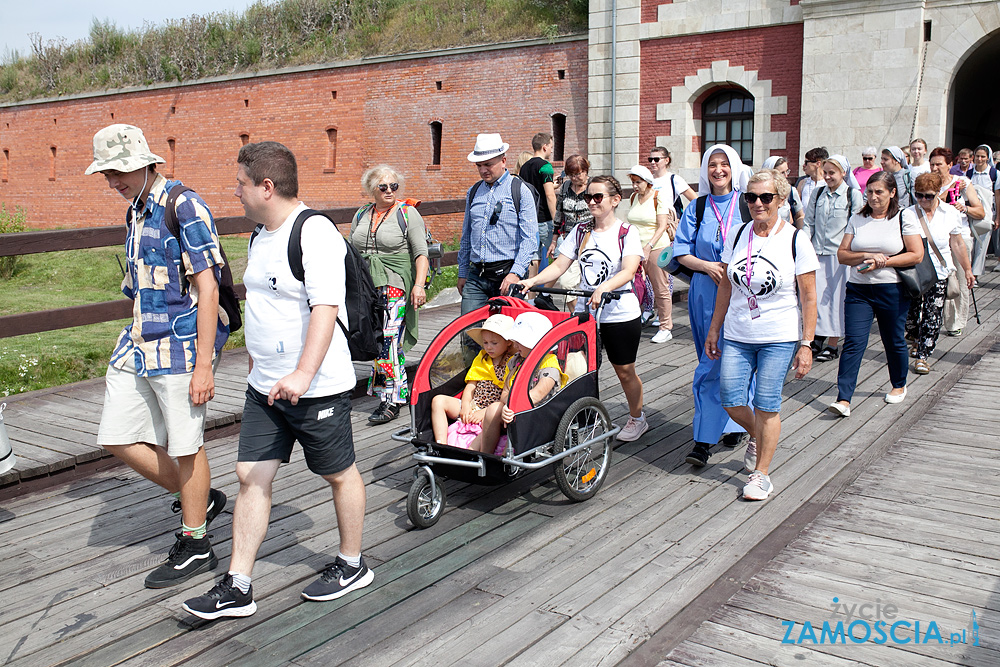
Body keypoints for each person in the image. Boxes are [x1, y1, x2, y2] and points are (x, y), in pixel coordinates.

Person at [182, 141, 373, 620]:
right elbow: (268, 307)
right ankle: (238, 585)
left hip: (316, 386)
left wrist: (303, 374)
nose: (236, 193)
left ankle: (353, 563)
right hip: (265, 385)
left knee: (337, 472)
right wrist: (256, 363)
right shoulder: (259, 236)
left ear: (266, 187)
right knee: (250, 475)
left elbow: (325, 308)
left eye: (241, 184)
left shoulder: (314, 234)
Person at [85, 124, 229, 589]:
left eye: (121, 170)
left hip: (182, 345)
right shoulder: (136, 210)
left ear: (148, 163)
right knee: (115, 434)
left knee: (187, 444)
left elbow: (208, 288)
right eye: (108, 172)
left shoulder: (183, 205)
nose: (114, 180)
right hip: (141, 340)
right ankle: (199, 498)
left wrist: (204, 362)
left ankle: (196, 543)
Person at [705, 168, 818, 501]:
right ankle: (759, 434)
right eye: (751, 197)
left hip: (778, 335)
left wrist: (807, 344)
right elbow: (726, 284)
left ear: (780, 200)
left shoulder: (796, 239)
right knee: (731, 399)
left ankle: (761, 474)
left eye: (765, 197)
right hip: (739, 333)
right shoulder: (739, 234)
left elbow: (809, 295)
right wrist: (715, 327)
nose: (757, 203)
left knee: (767, 404)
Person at [517, 175, 648, 442]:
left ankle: (637, 417)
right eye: (588, 197)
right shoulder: (581, 231)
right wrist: (532, 280)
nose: (591, 202)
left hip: (620, 311)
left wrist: (605, 287)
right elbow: (559, 265)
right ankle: (583, 418)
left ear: (614, 200)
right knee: (579, 368)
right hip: (585, 312)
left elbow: (629, 270)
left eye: (597, 197)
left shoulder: (626, 232)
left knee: (624, 370)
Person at [673, 145, 754, 466]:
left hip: (743, 292)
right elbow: (681, 251)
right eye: (712, 165)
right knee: (710, 361)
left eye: (724, 164)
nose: (718, 170)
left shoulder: (748, 204)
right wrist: (707, 266)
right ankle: (704, 438)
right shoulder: (699, 207)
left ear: (734, 168)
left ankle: (737, 422)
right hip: (706, 292)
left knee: (742, 359)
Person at [828, 171, 924, 417]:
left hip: (891, 289)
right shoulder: (857, 218)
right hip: (859, 290)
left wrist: (885, 261)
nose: (873, 197)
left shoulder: (905, 217)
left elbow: (916, 254)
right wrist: (864, 256)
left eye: (879, 192)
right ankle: (844, 399)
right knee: (854, 342)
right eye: (869, 192)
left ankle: (899, 384)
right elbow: (842, 254)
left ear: (892, 193)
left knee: (893, 339)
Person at [349, 165, 429, 424]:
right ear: (371, 189)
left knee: (389, 341)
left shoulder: (408, 214)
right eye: (383, 187)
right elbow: (351, 250)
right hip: (368, 287)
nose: (389, 191)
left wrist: (418, 286)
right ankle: (396, 392)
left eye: (393, 186)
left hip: (395, 285)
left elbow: (421, 254)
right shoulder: (362, 213)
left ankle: (391, 400)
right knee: (376, 341)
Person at [457, 133, 538, 314]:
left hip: (507, 273)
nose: (483, 170)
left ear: (503, 161)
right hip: (476, 275)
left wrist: (515, 273)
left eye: (488, 164)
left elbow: (530, 239)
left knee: (506, 334)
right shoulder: (474, 191)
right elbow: (467, 235)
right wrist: (463, 272)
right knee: (469, 332)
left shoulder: (519, 190)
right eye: (479, 165)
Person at [905, 171, 974, 375]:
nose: (923, 200)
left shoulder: (950, 213)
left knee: (933, 315)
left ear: (937, 193)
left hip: (939, 271)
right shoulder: (908, 213)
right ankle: (916, 337)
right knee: (911, 316)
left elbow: (958, 243)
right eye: (919, 195)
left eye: (928, 195)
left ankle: (923, 356)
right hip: (914, 272)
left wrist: (968, 269)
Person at [468, 312, 566, 455]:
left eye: (519, 341)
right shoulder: (517, 361)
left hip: (538, 413)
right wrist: (508, 405)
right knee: (494, 408)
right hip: (513, 409)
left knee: (514, 414)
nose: (514, 344)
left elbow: (538, 394)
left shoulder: (549, 364)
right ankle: (484, 455)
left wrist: (515, 407)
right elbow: (505, 391)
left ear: (535, 343)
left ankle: (506, 458)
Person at [803, 155, 864, 362]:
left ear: (843, 173)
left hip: (840, 256)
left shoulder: (852, 195)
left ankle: (833, 344)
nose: (828, 177)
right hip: (817, 253)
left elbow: (856, 226)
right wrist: (804, 246)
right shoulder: (818, 193)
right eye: (825, 172)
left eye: (832, 173)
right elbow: (808, 222)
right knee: (816, 298)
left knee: (837, 300)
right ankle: (812, 340)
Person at [430, 314, 515, 446]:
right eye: (485, 342)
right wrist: (465, 406)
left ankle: (473, 452)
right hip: (474, 405)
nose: (489, 347)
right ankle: (441, 444)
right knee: (438, 401)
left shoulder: (512, 362)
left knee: (493, 415)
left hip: (492, 412)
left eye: (494, 343)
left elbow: (507, 397)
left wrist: (484, 413)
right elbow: (471, 386)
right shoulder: (482, 358)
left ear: (508, 341)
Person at [929, 147, 985, 336]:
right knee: (937, 279)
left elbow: (980, 211)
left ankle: (955, 322)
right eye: (932, 164)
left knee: (960, 280)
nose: (935, 168)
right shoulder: (928, 184)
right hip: (935, 240)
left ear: (950, 165)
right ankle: (934, 319)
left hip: (960, 237)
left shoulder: (962, 183)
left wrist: (965, 208)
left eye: (939, 164)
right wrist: (946, 193)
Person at [627, 164, 676, 343]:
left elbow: (662, 225)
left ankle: (665, 326)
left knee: (660, 287)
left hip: (656, 247)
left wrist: (648, 246)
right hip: (635, 249)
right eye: (632, 182)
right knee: (633, 285)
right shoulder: (633, 197)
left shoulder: (658, 196)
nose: (634, 186)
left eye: (638, 182)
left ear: (647, 182)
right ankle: (634, 319)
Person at [519, 132, 558, 275]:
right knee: (555, 254)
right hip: (544, 219)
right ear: (545, 147)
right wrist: (556, 220)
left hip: (529, 217)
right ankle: (544, 292)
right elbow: (549, 194)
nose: (552, 150)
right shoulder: (545, 166)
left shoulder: (524, 167)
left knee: (533, 257)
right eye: (551, 147)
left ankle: (530, 296)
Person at [648, 146, 697, 215]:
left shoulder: (674, 179)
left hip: (668, 221)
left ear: (666, 160)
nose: (653, 162)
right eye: (650, 159)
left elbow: (695, 200)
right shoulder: (647, 180)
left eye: (656, 159)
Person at [762, 156, 804, 227]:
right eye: (782, 173)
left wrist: (799, 233)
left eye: (787, 171)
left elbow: (800, 215)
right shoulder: (759, 192)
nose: (786, 175)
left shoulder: (791, 191)